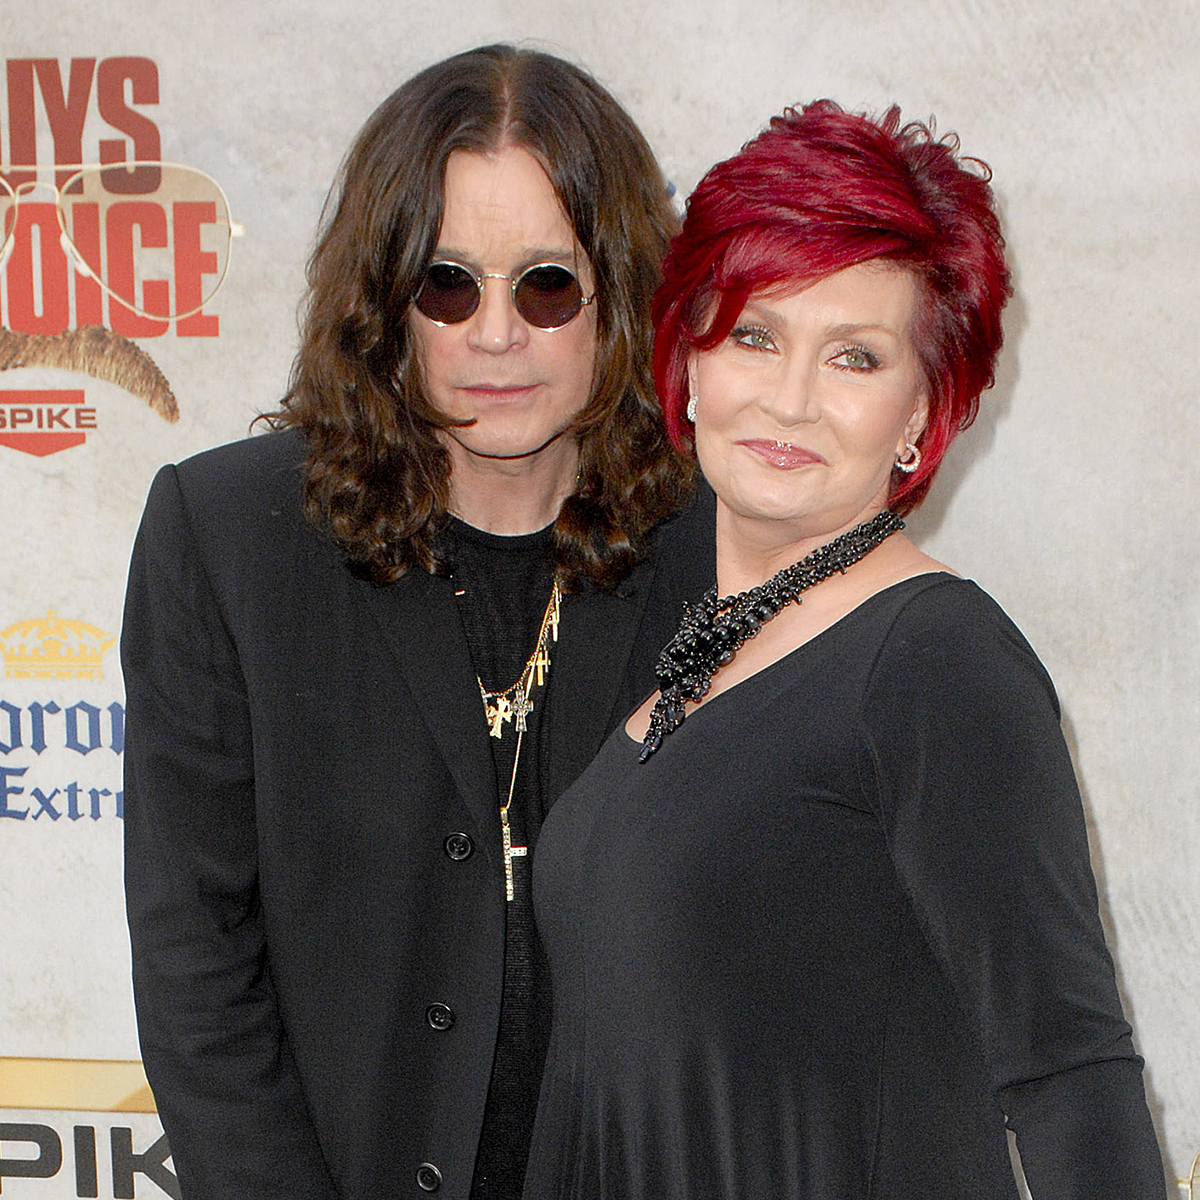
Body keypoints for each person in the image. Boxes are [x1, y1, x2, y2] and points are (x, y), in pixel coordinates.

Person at [521, 101, 1167, 1199]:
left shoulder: (939, 662)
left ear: (922, 413)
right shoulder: (679, 661)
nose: (790, 400)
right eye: (755, 335)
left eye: (855, 358)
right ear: (689, 362)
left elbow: (1070, 1072)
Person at [121, 44, 711, 1200]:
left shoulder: (717, 550)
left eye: (548, 284)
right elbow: (196, 965)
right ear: (384, 299)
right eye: (448, 283)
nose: (496, 335)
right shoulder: (230, 538)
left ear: (625, 294)